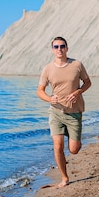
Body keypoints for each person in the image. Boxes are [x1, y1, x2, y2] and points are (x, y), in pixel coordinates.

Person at [37, 37, 92, 188]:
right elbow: (39, 91)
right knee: (57, 146)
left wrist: (78, 92)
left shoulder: (77, 65)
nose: (59, 49)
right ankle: (64, 178)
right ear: (52, 50)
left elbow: (88, 82)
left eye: (62, 46)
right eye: (56, 47)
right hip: (56, 112)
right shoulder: (47, 69)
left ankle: (75, 138)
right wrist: (49, 99)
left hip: (74, 113)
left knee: (74, 150)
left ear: (67, 48)